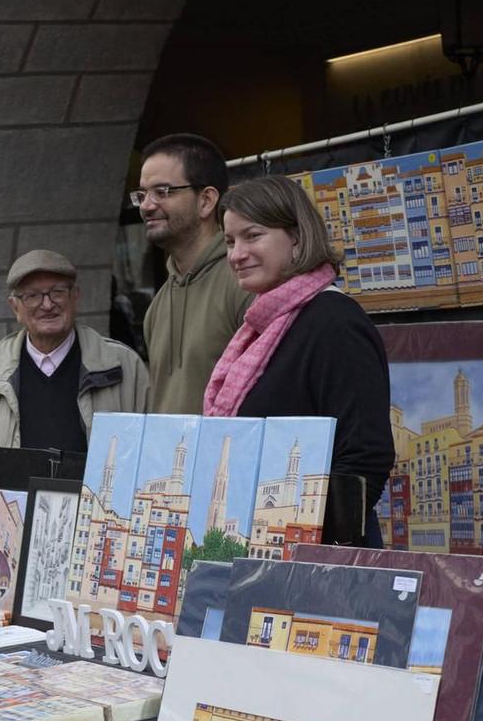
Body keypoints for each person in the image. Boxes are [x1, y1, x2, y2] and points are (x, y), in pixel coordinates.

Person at [207, 175, 394, 541]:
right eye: (230, 241)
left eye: (253, 235)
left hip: (312, 555)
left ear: (296, 237)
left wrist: (311, 547)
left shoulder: (334, 323)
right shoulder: (262, 325)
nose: (236, 254)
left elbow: (363, 457)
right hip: (261, 541)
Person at [0, 250, 148, 452]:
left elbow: (154, 451)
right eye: (32, 296)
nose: (47, 305)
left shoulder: (124, 366)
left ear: (75, 297)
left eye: (57, 292)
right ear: (15, 307)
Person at [137, 134, 252, 415]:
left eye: (162, 191)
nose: (146, 206)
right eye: (142, 194)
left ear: (206, 200)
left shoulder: (245, 282)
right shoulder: (159, 304)